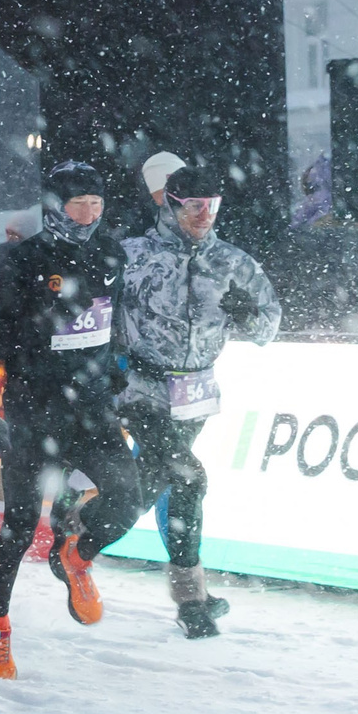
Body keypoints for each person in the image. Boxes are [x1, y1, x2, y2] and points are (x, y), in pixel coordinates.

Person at [0, 160, 140, 675]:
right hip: (38, 413)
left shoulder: (111, 252)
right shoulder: (26, 260)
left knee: (127, 498)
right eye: (78, 205)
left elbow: (114, 322)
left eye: (97, 204)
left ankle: (77, 551)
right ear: (55, 208)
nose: (89, 214)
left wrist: (114, 366)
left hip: (92, 408)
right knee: (19, 527)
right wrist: (43, 335)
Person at [117, 150, 281, 637]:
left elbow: (269, 323)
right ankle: (190, 601)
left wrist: (248, 315)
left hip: (197, 392)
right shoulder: (132, 256)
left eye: (211, 204)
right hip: (142, 386)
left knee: (158, 481)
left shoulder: (231, 261)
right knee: (185, 480)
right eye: (192, 204)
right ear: (168, 203)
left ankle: (82, 529)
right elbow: (97, 314)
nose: (203, 213)